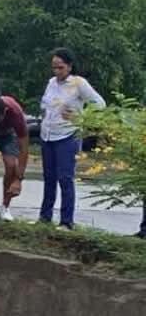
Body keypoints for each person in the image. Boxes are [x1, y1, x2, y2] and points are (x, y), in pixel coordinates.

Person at [38, 47, 105, 229]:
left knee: (65, 178)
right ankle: (44, 217)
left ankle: (66, 221)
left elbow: (100, 104)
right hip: (48, 135)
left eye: (60, 67)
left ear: (69, 66)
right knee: (49, 178)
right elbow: (46, 105)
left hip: (67, 136)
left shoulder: (78, 83)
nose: (57, 71)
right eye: (54, 67)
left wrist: (80, 117)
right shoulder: (51, 83)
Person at [0, 94, 30, 222]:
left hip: (7, 135)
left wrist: (18, 179)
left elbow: (24, 148)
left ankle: (5, 208)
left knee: (11, 165)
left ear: (5, 111)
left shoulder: (16, 112)